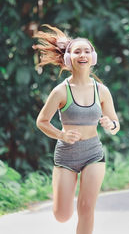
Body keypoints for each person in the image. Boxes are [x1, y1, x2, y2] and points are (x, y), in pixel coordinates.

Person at [32, 24, 120, 234]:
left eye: (87, 51)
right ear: (68, 58)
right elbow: (42, 121)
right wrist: (61, 134)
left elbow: (115, 125)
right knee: (62, 215)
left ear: (93, 57)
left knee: (86, 208)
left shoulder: (102, 91)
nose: (82, 55)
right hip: (66, 155)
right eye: (77, 51)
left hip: (93, 154)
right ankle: (62, 201)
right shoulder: (61, 91)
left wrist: (111, 124)